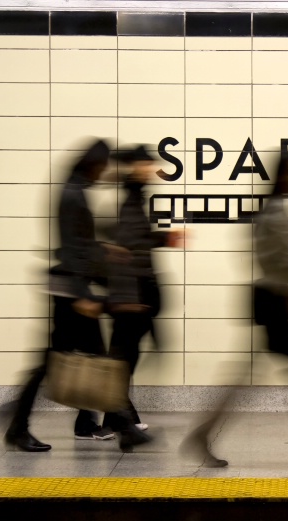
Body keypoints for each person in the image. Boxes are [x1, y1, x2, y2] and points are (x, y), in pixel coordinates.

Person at [180, 150, 288, 467]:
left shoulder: (269, 211)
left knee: (260, 373)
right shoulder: (275, 214)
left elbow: (274, 252)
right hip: (273, 300)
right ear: (285, 176)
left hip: (267, 298)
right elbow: (287, 265)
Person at [4, 139, 116, 452]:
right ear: (93, 164)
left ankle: (90, 422)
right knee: (55, 361)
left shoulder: (74, 189)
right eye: (103, 167)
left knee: (92, 354)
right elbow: (71, 250)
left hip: (73, 287)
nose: (104, 173)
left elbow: (78, 245)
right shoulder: (72, 194)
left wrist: (105, 252)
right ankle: (17, 424)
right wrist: (83, 295)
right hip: (70, 292)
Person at [101, 144, 183, 447]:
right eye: (145, 164)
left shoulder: (136, 197)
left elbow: (135, 241)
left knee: (122, 358)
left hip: (137, 293)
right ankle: (121, 423)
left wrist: (163, 237)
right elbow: (124, 251)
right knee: (120, 359)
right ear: (132, 167)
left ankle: (115, 419)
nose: (151, 169)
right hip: (131, 294)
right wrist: (127, 298)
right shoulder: (129, 200)